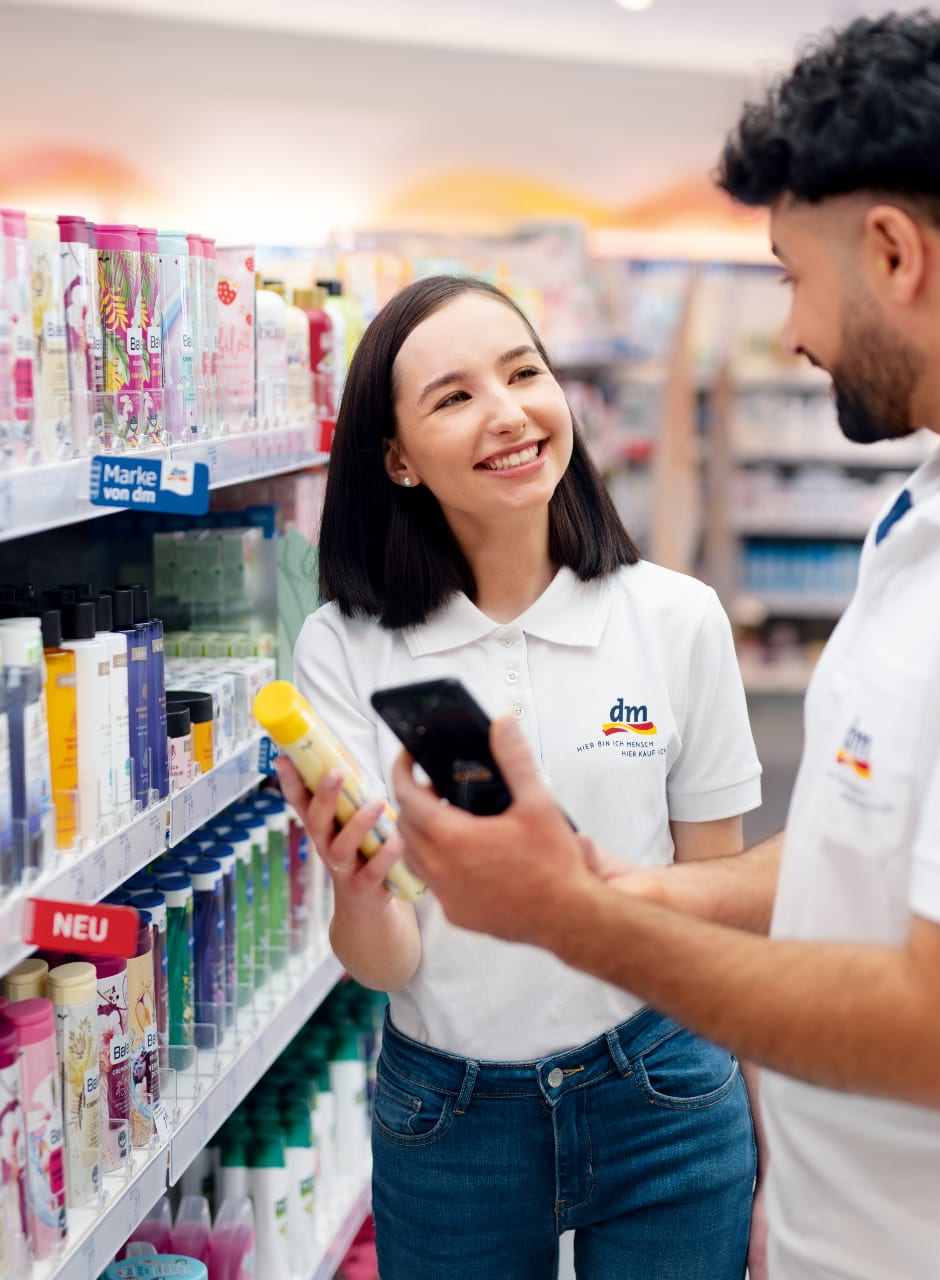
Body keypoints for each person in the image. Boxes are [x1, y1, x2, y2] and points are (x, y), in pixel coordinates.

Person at [382, 13, 940, 1280]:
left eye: (793, 274)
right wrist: (657, 889)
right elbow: (882, 829)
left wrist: (574, 922)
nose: (791, 329)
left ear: (893, 252)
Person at [273, 274, 764, 1278]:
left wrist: (762, 1147)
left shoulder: (674, 619)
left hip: (663, 1083)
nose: (507, 414)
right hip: (450, 1111)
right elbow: (388, 960)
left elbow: (721, 902)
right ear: (397, 458)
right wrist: (356, 886)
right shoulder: (347, 646)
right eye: (453, 396)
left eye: (522, 372)